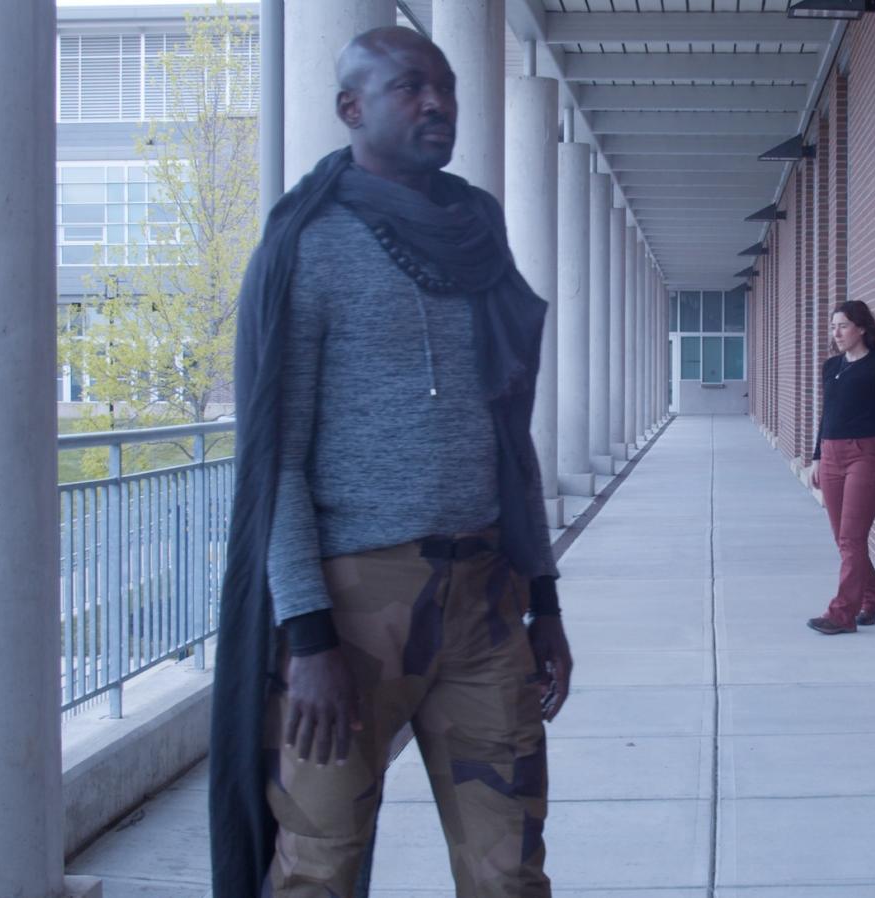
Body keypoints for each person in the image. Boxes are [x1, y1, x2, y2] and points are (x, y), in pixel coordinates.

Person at [208, 27, 572, 898]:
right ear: (350, 108)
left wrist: (545, 597)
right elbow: (275, 463)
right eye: (410, 87)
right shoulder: (309, 247)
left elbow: (507, 430)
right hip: (353, 609)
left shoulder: (477, 230)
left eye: (444, 86)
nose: (438, 102)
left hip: (487, 595)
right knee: (318, 867)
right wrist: (308, 639)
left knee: (512, 866)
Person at [806, 301, 875, 635]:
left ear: (861, 328)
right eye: (833, 327)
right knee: (845, 540)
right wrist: (816, 457)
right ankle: (873, 599)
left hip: (865, 454)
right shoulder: (831, 366)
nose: (836, 333)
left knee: (851, 538)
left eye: (843, 326)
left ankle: (842, 613)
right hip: (830, 455)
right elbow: (826, 416)